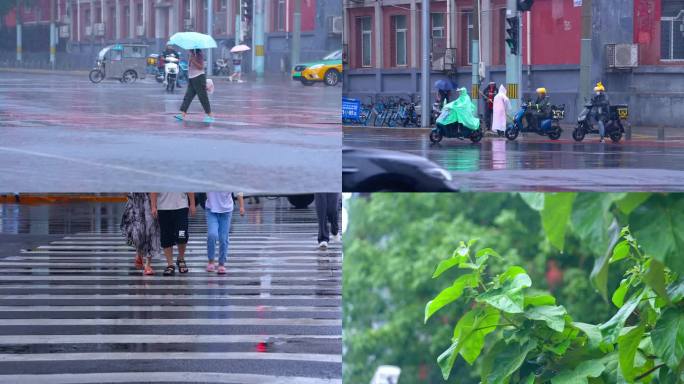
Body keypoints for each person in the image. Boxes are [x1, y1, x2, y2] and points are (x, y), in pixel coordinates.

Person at [150, 193, 196, 276]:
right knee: (166, 236)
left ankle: (181, 259)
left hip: (181, 206)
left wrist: (192, 204)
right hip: (163, 207)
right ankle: (170, 264)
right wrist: (153, 206)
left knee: (182, 235)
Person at [205, 192, 245, 274]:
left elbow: (239, 191)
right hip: (211, 209)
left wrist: (241, 206)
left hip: (226, 211)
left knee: (223, 238)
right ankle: (211, 261)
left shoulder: (230, 178)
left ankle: (221, 263)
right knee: (212, 235)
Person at [121, 193, 160, 276]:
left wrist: (153, 206)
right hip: (134, 203)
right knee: (137, 231)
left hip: (148, 203)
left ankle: (148, 265)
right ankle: (139, 252)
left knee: (150, 232)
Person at [175, 49, 214, 123]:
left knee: (202, 97)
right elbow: (189, 67)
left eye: (190, 49)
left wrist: (193, 60)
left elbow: (201, 67)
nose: (188, 50)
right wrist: (190, 60)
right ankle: (182, 114)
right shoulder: (191, 55)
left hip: (199, 78)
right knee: (188, 97)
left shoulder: (199, 55)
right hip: (191, 78)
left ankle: (210, 115)